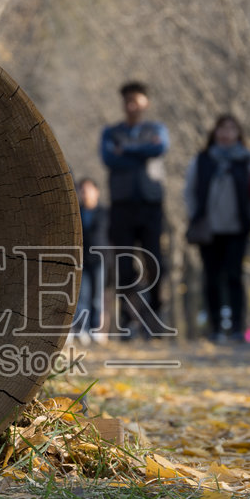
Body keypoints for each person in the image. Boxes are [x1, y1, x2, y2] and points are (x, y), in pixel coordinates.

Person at [101, 81, 170, 339]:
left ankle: (154, 316)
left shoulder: (157, 129)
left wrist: (127, 149)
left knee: (156, 262)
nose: (132, 105)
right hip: (122, 206)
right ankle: (129, 319)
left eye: (137, 100)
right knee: (125, 266)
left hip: (151, 204)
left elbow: (160, 147)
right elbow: (109, 158)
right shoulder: (111, 132)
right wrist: (143, 150)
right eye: (128, 101)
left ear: (146, 103)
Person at [184, 115, 250, 342]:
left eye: (231, 129)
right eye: (221, 128)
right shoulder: (203, 160)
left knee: (235, 276)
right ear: (214, 132)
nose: (226, 133)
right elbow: (189, 190)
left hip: (238, 227)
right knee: (212, 278)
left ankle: (238, 327)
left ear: (238, 133)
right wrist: (195, 215)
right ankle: (215, 327)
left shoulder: (248, 160)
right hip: (209, 229)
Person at [72, 177, 108, 341]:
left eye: (88, 190)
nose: (85, 194)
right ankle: (83, 328)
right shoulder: (76, 213)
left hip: (100, 260)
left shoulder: (104, 213)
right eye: (82, 190)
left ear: (96, 192)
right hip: (82, 261)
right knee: (83, 296)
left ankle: (96, 329)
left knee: (97, 298)